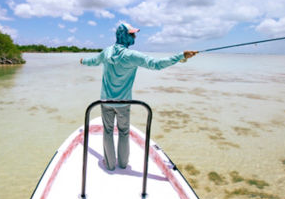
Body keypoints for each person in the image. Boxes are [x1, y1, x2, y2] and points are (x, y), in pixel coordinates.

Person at [80, 23, 197, 171]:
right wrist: (181, 56)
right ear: (126, 36)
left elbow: (93, 61)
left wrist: (82, 60)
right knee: (123, 132)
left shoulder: (106, 52)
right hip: (123, 103)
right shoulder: (132, 56)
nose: (135, 36)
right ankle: (123, 165)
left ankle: (109, 165)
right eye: (132, 34)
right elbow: (157, 64)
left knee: (108, 132)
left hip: (105, 101)